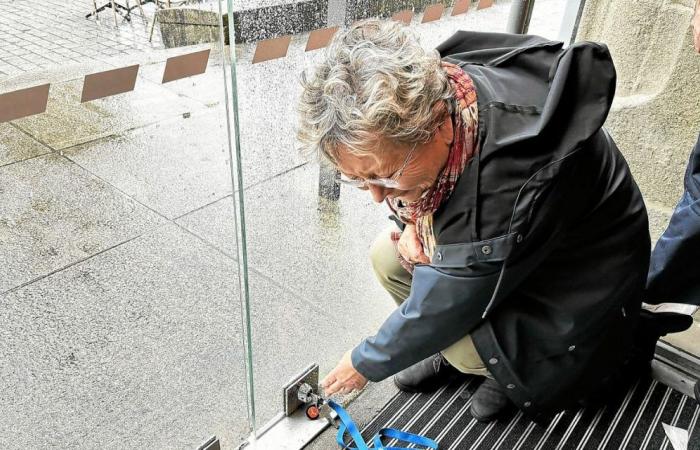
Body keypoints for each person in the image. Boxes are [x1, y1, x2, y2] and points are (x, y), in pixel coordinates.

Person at [297, 19, 654, 423]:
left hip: (578, 301)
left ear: (436, 124)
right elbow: (437, 236)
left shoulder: (513, 183)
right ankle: (464, 353)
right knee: (387, 257)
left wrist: (362, 363)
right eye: (359, 181)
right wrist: (413, 219)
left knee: (457, 340)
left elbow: (446, 304)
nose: (377, 195)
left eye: (383, 175)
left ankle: (506, 371)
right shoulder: (442, 87)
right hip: (531, 260)